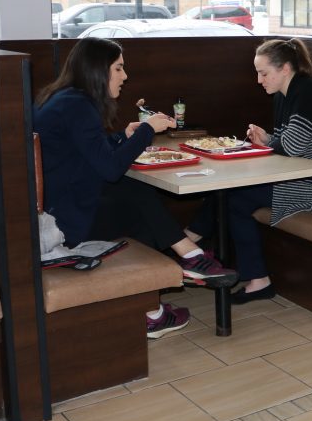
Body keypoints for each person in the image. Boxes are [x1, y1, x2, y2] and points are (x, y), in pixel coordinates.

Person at [34, 38, 238, 339]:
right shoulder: (77, 105)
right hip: (60, 225)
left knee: (135, 196)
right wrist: (145, 131)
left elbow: (86, 155)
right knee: (136, 197)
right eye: (118, 67)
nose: (124, 75)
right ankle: (188, 262)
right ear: (98, 71)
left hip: (53, 207)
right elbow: (110, 169)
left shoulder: (63, 99)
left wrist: (121, 137)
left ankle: (156, 306)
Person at [186, 38, 312, 304]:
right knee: (227, 193)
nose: (258, 80)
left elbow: (292, 146)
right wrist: (269, 139)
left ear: (285, 68)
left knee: (233, 199)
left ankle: (194, 250)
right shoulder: (286, 94)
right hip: (302, 173)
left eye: (263, 73)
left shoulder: (309, 92)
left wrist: (271, 142)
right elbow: (289, 141)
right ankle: (195, 250)